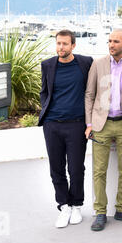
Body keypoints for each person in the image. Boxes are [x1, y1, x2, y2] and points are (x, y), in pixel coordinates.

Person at [85, 28, 122, 231]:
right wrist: (90, 124)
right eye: (110, 41)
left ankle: (121, 209)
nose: (111, 44)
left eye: (116, 41)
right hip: (101, 125)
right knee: (99, 171)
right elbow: (89, 95)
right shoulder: (98, 64)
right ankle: (100, 212)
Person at [38, 29, 93, 228]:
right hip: (52, 125)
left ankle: (77, 204)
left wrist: (91, 121)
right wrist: (46, 116)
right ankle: (64, 206)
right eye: (58, 43)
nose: (61, 47)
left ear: (73, 46)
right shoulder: (48, 65)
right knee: (56, 169)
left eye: (65, 44)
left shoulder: (85, 63)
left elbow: (92, 89)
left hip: (77, 124)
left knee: (76, 168)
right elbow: (44, 92)